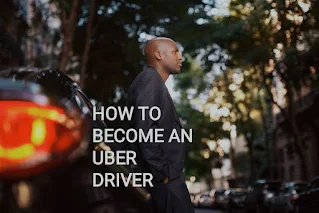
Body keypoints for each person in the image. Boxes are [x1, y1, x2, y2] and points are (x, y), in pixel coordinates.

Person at [128, 37, 195, 213]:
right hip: (163, 180)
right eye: (175, 52)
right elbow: (145, 129)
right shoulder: (150, 80)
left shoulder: (154, 82)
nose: (180, 57)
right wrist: (162, 173)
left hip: (166, 178)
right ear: (159, 55)